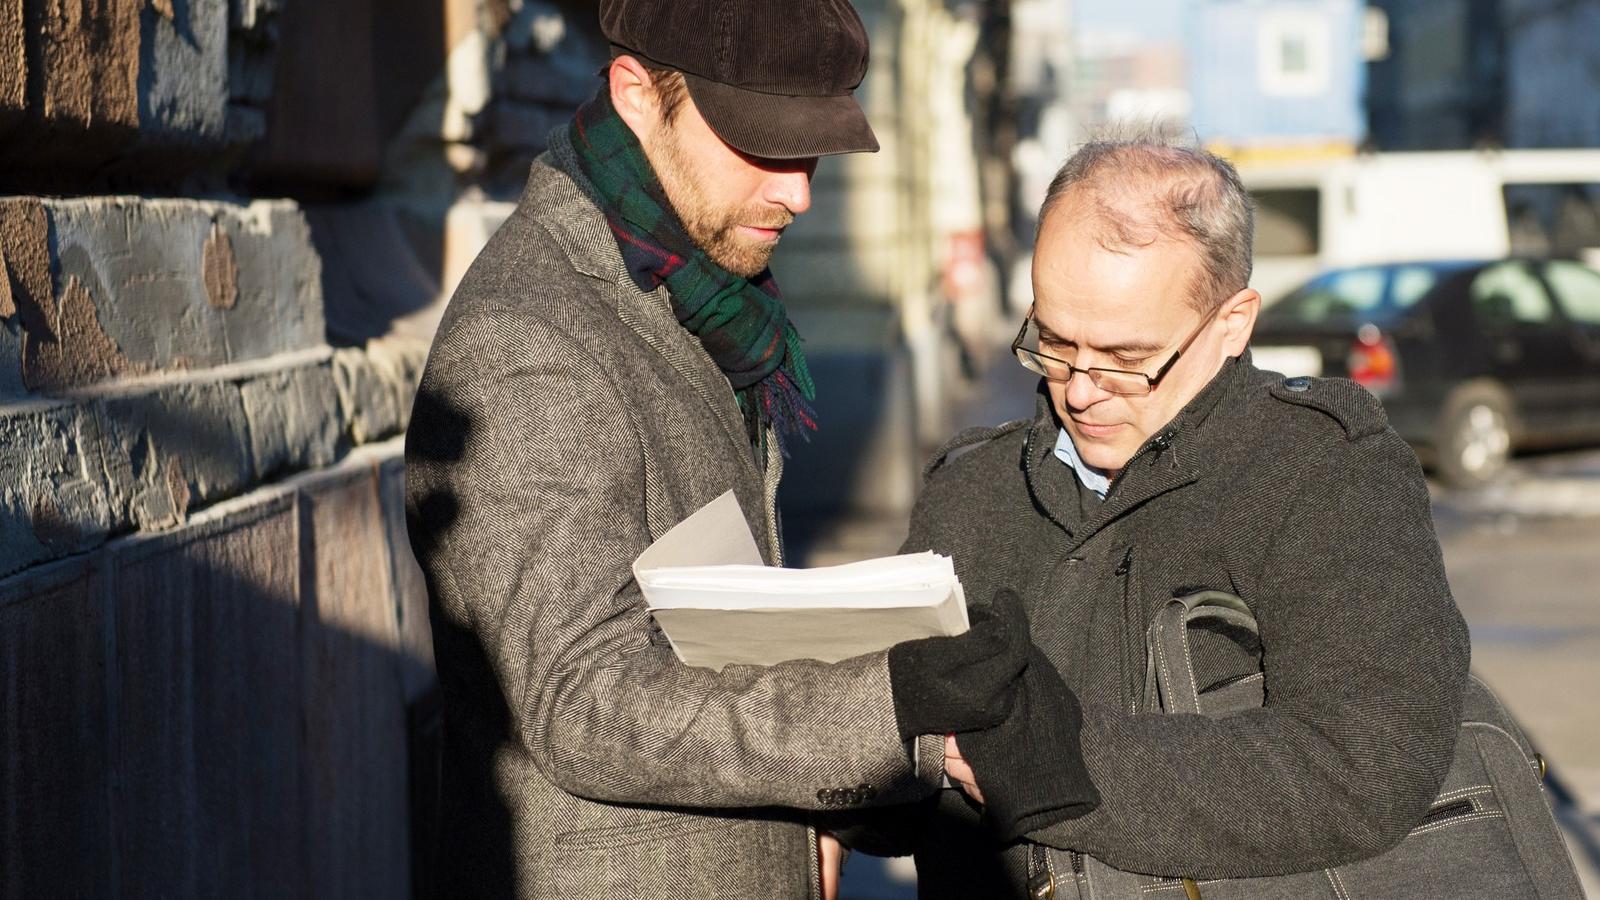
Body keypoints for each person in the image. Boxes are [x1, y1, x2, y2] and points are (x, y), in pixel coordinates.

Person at [402, 2, 1045, 898]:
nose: (800, 192)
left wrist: (830, 803)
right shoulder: (527, 340)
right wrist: (892, 706)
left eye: (813, 149)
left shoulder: (688, 292)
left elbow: (708, 635)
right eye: (763, 145)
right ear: (637, 95)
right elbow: (585, 702)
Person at [850, 135, 1472, 896]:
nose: (1079, 391)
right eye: (1053, 342)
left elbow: (1365, 764)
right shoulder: (971, 487)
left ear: (1232, 322)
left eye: (1123, 356)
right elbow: (906, 802)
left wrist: (1054, 763)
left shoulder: (1325, 471)